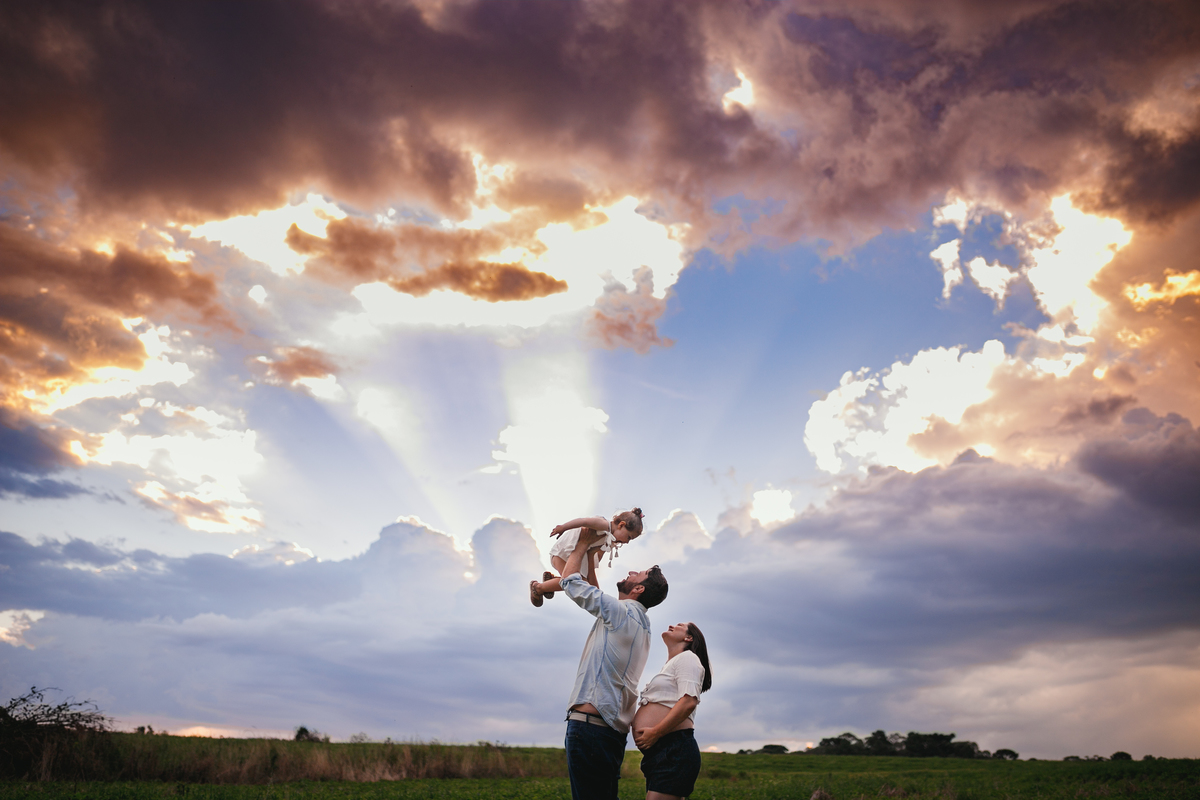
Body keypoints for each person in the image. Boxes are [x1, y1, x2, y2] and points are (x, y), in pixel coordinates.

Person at [558, 527, 669, 800]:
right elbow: (596, 596)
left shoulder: (620, 614)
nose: (630, 572)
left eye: (637, 575)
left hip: (590, 727)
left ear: (638, 588)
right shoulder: (642, 624)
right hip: (610, 732)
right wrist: (594, 557)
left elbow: (571, 583)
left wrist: (582, 544)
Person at [632, 622, 713, 800]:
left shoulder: (688, 658)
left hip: (674, 748)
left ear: (689, 638)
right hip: (662, 751)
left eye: (679, 625)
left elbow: (688, 701)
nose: (671, 625)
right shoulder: (672, 664)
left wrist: (656, 732)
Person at [530, 508, 645, 607]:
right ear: (621, 525)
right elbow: (583, 521)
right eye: (629, 537)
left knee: (581, 583)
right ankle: (538, 587)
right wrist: (563, 527)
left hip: (572, 557)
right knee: (573, 583)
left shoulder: (607, 539)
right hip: (563, 553)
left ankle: (552, 581)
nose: (627, 542)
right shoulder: (603, 525)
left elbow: (592, 567)